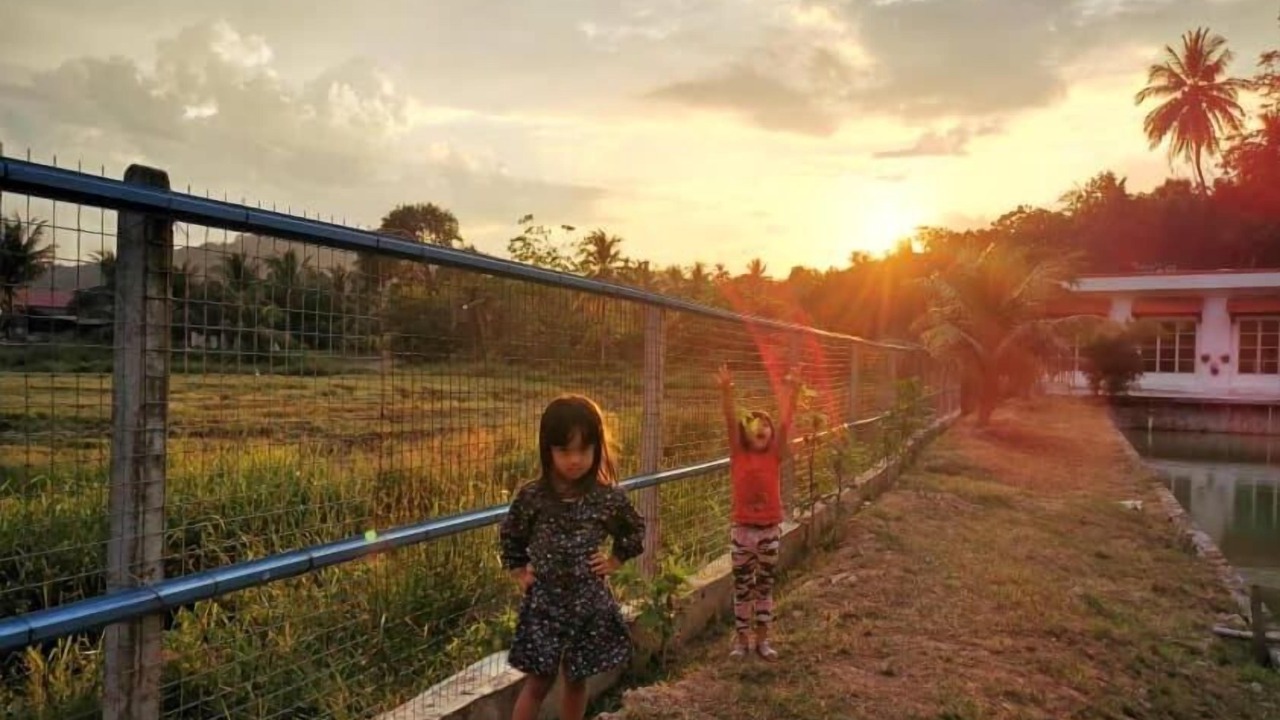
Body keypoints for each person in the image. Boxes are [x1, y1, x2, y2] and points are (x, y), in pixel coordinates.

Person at [499, 394, 646, 720]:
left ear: (597, 448)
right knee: (538, 681)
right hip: (544, 606)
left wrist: (614, 561)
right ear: (547, 448)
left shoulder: (606, 497)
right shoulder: (532, 496)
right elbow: (511, 536)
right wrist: (521, 573)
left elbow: (634, 530)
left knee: (576, 678)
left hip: (588, 606)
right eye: (564, 450)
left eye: (584, 449)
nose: (575, 460)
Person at [716, 363, 800, 662]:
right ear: (745, 434)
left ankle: (763, 641)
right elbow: (729, 419)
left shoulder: (775, 455)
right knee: (742, 589)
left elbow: (787, 422)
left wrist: (793, 392)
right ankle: (741, 642)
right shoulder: (739, 454)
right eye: (755, 424)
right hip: (741, 532)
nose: (762, 427)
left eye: (767, 424)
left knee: (763, 587)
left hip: (768, 532)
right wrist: (727, 390)